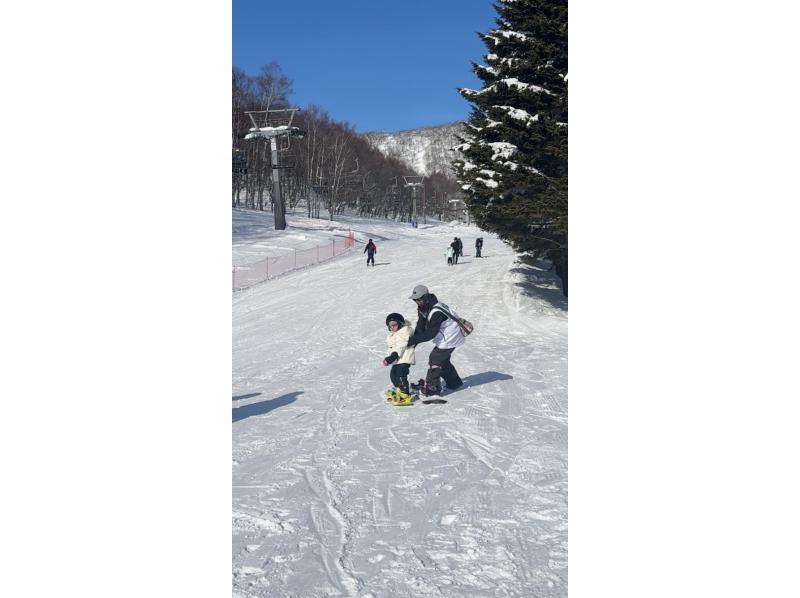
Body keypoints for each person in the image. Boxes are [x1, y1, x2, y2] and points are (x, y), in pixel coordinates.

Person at [406, 285, 464, 396]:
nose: (417, 302)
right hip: (445, 336)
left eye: (419, 299)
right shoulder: (424, 307)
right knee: (443, 361)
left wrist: (410, 341)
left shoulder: (436, 311)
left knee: (435, 359)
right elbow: (421, 325)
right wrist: (413, 342)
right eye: (415, 300)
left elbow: (430, 334)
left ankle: (432, 388)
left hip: (451, 336)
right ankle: (455, 383)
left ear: (426, 297)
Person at [382, 313, 416, 406]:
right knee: (393, 375)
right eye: (390, 326)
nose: (392, 327)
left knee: (400, 375)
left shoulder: (404, 332)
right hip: (397, 358)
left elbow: (401, 345)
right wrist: (390, 357)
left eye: (394, 325)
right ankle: (399, 390)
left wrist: (392, 356)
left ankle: (404, 395)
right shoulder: (393, 334)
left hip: (404, 357)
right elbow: (392, 347)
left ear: (400, 323)